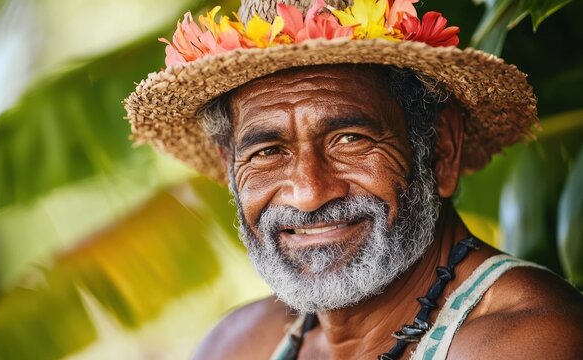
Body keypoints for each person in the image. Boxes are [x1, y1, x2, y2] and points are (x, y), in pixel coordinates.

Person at [124, 0, 583, 358]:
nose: (307, 193)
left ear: (441, 149)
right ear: (230, 170)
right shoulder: (238, 345)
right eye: (267, 151)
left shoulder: (526, 342)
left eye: (349, 139)